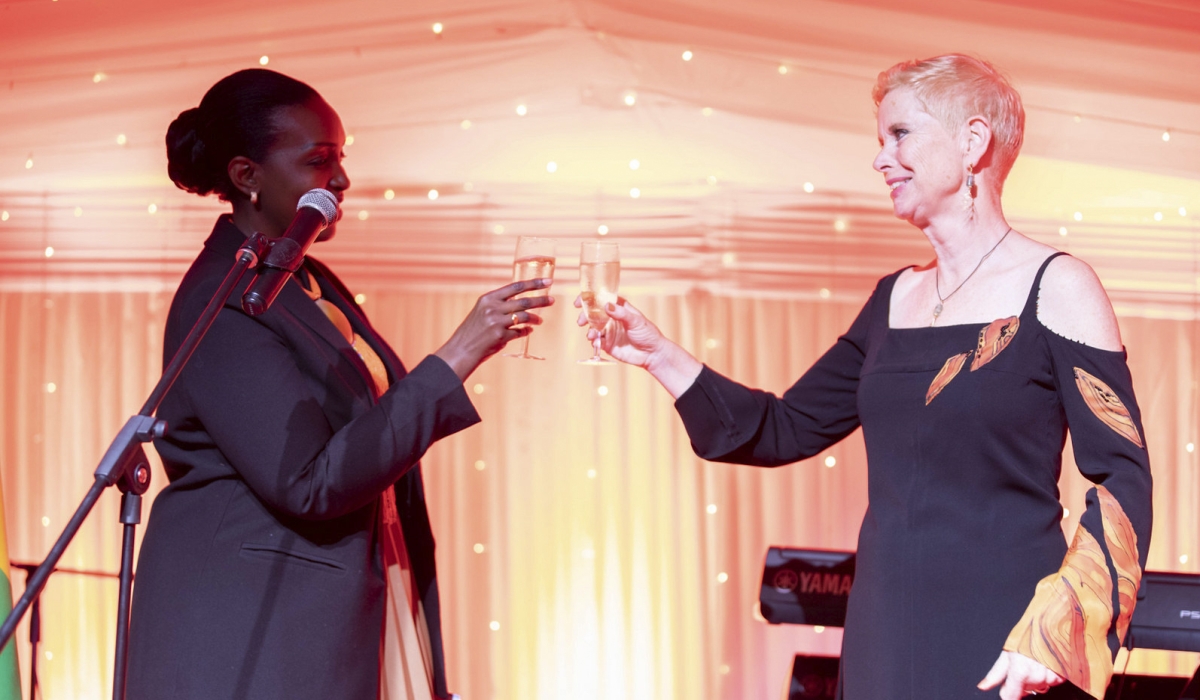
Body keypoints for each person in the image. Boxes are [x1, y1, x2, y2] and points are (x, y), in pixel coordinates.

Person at [582, 54, 1151, 700]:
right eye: (881, 139)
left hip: (1007, 637)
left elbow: (1122, 476)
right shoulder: (892, 299)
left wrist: (1058, 631)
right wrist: (659, 354)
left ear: (973, 141)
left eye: (900, 134)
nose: (881, 159)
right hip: (884, 636)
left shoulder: (1058, 286)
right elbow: (783, 427)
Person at [126, 69, 553, 700]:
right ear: (246, 176)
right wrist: (457, 354)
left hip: (350, 592)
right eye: (319, 160)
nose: (342, 180)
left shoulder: (309, 280)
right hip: (257, 630)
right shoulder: (223, 298)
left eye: (341, 158)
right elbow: (307, 483)